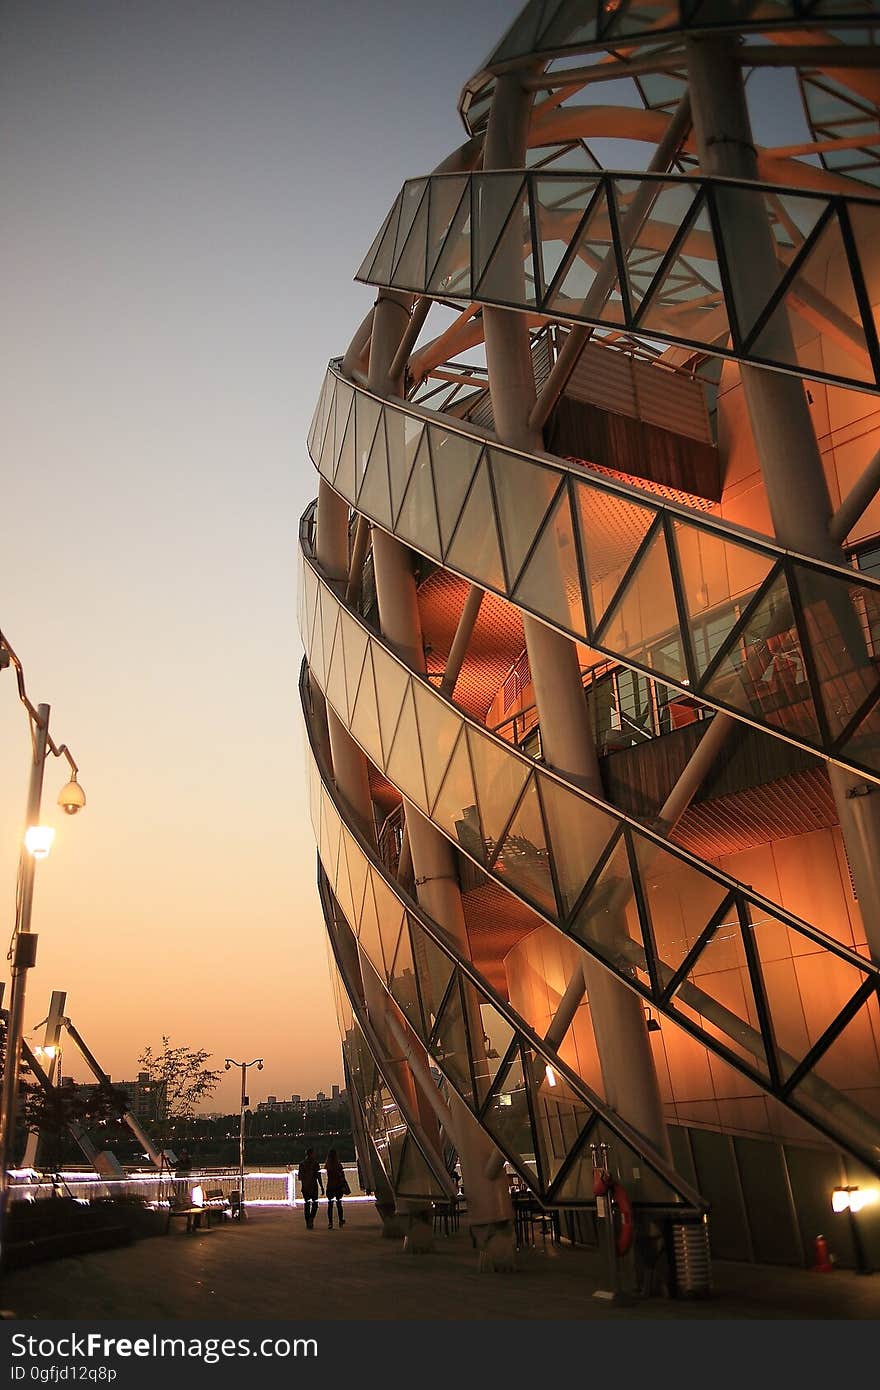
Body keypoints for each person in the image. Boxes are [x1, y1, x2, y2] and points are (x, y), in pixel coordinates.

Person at [297, 1147, 323, 1229]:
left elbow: (300, 1177)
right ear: (311, 1154)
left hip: (305, 1187)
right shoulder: (316, 1163)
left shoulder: (302, 1164)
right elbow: (318, 1176)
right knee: (315, 1204)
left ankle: (308, 1222)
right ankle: (311, 1218)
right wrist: (321, 1186)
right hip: (314, 1187)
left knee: (307, 1204)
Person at [324, 1148, 348, 1228]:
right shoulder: (339, 1165)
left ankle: (330, 1222)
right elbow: (342, 1176)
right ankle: (340, 1220)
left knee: (330, 1205)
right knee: (339, 1204)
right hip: (338, 1187)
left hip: (330, 1186)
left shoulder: (328, 1166)